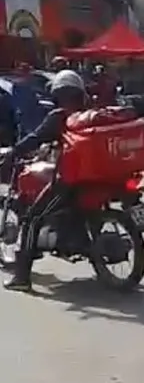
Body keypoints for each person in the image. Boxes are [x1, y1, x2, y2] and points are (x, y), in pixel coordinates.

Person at [2, 69, 87, 292]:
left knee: (31, 219)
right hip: (96, 178)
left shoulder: (58, 116)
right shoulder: (88, 113)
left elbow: (36, 137)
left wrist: (14, 150)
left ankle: (22, 277)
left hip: (71, 180)